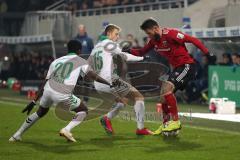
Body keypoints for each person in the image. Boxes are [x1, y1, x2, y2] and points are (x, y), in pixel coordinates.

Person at [9, 40, 114, 143]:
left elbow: (45, 82)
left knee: (40, 112)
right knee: (83, 110)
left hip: (48, 90)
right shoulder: (80, 60)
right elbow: (93, 76)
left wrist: (34, 101)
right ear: (79, 50)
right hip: (61, 93)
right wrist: (108, 83)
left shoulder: (56, 61)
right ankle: (67, 130)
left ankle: (16, 135)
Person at [126, 18, 211, 135]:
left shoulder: (171, 34)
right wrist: (128, 50)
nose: (148, 36)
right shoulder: (153, 41)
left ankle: (175, 121)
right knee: (162, 96)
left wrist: (207, 53)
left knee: (166, 89)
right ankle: (166, 124)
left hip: (187, 66)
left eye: (149, 33)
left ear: (156, 28)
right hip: (177, 69)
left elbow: (193, 40)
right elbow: (141, 52)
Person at [88, 24, 152, 135]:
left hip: (98, 84)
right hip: (110, 80)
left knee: (123, 101)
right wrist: (142, 57)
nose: (117, 37)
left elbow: (89, 65)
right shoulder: (110, 44)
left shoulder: (96, 47)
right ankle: (140, 129)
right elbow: (124, 56)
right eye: (116, 34)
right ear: (108, 34)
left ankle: (106, 119)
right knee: (139, 97)